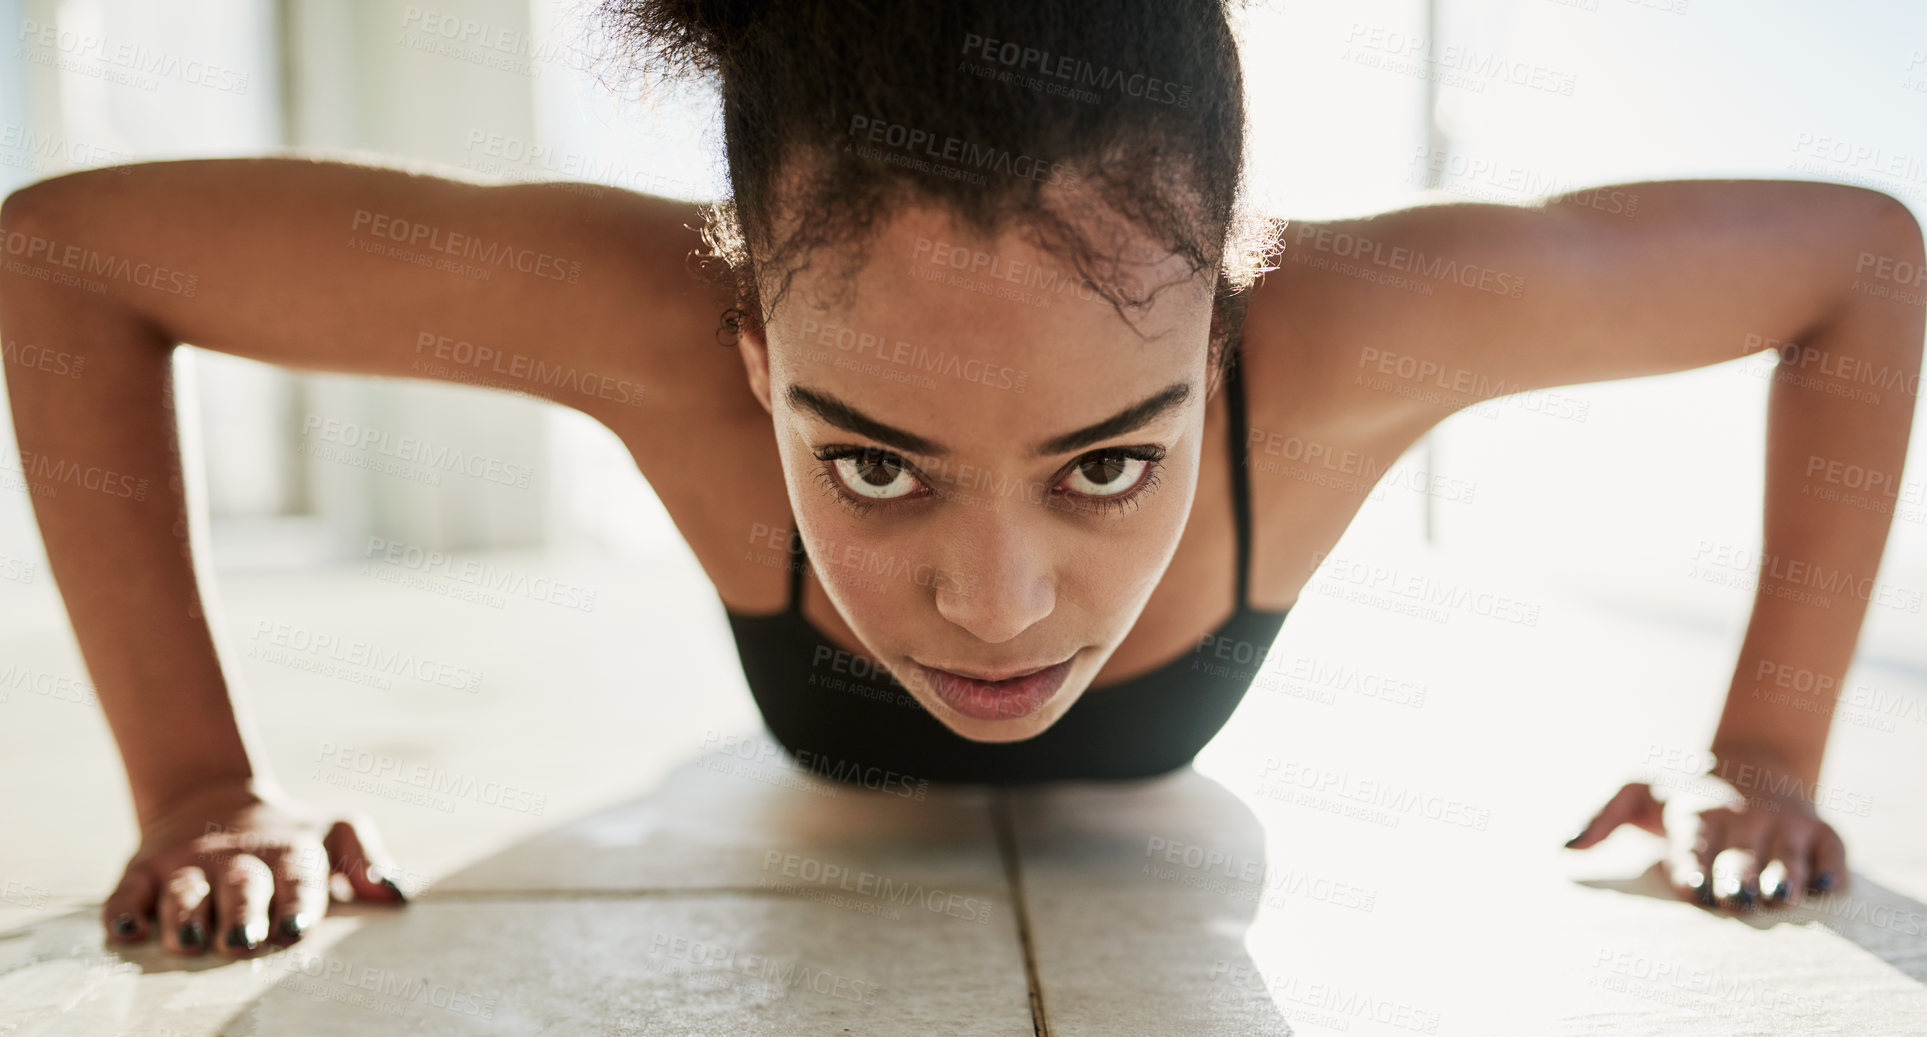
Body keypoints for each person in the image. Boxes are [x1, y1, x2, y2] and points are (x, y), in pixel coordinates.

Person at [0, 0, 1918, 960]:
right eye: (870, 459)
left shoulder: (1366, 325)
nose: (996, 606)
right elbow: (64, 257)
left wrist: (1762, 755)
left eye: (1108, 459)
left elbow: (1859, 260)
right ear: (748, 356)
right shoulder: (630, 311)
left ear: (1230, 343)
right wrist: (199, 783)